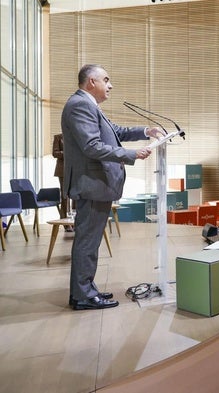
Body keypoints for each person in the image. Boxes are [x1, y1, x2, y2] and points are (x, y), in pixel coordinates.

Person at [62, 64, 164, 310]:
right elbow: (92, 146)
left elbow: (114, 132)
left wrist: (145, 130)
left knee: (91, 240)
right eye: (106, 80)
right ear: (91, 82)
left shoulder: (89, 105)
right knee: (87, 241)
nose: (111, 85)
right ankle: (82, 296)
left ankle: (86, 289)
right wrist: (130, 154)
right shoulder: (80, 105)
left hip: (96, 185)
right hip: (92, 185)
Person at [52, 133, 73, 232]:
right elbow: (55, 153)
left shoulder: (77, 136)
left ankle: (75, 222)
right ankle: (65, 222)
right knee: (65, 195)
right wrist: (67, 153)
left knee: (76, 195)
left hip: (75, 170)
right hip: (63, 170)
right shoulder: (58, 137)